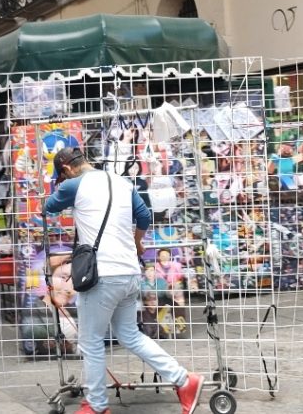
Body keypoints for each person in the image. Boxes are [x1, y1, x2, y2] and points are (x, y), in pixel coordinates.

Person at [45, 147, 203, 414]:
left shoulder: (72, 183)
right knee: (130, 334)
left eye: (61, 176)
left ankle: (96, 406)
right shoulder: (122, 182)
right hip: (129, 273)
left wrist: (57, 184)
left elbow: (48, 206)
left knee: (91, 341)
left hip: (102, 277)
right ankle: (184, 381)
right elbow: (144, 216)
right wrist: (137, 242)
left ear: (66, 170)